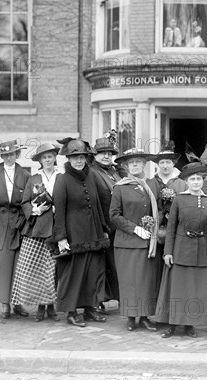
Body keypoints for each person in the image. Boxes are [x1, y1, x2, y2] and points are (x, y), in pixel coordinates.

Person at [155, 162, 207, 338]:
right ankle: (173, 324)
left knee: (195, 290)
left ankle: (190, 324)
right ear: (187, 181)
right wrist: (168, 252)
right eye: (193, 179)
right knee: (178, 289)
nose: (196, 182)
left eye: (199, 179)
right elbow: (171, 228)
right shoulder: (179, 199)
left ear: (203, 181)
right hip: (180, 250)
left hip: (201, 250)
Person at [52, 138, 111, 327]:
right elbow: (59, 211)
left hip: (93, 232)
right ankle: (71, 311)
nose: (79, 161)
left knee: (93, 271)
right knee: (74, 273)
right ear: (68, 159)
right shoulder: (63, 180)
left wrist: (103, 229)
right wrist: (61, 238)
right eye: (75, 157)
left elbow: (98, 205)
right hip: (73, 234)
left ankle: (90, 308)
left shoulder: (92, 176)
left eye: (82, 157)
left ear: (87, 158)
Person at [110, 148, 160, 332]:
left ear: (145, 164)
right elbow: (114, 215)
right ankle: (131, 317)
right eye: (132, 163)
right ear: (126, 166)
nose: (135, 165)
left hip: (148, 242)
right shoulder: (120, 187)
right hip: (127, 242)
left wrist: (154, 226)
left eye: (138, 161)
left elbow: (159, 208)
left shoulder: (152, 185)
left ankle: (145, 316)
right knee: (129, 281)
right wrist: (135, 228)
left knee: (146, 281)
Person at [0, 139, 31, 319]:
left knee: (19, 263)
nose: (9, 158)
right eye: (5, 155)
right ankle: (5, 304)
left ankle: (18, 303)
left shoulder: (25, 175)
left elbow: (28, 200)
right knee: (2, 264)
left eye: (12, 154)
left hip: (18, 221)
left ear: (17, 155)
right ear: (1, 156)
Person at [11, 143, 60, 322]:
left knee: (53, 269)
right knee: (37, 268)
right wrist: (35, 210)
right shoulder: (34, 179)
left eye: (50, 156)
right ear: (40, 160)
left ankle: (52, 306)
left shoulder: (61, 178)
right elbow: (24, 202)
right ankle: (40, 306)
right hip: (36, 229)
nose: (47, 160)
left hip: (56, 228)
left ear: (55, 158)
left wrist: (58, 209)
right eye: (44, 157)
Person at [146, 141, 187, 290]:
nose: (165, 166)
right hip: (156, 230)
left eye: (168, 162)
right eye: (161, 162)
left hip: (175, 229)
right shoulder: (150, 182)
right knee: (155, 265)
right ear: (157, 164)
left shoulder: (182, 183)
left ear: (173, 163)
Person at [90, 130, 123, 313]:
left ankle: (119, 297)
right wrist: (101, 227)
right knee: (100, 265)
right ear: (95, 155)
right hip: (102, 225)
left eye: (109, 153)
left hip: (116, 225)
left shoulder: (113, 171)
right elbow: (93, 202)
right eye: (102, 153)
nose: (106, 156)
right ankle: (98, 301)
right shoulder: (93, 172)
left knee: (115, 264)